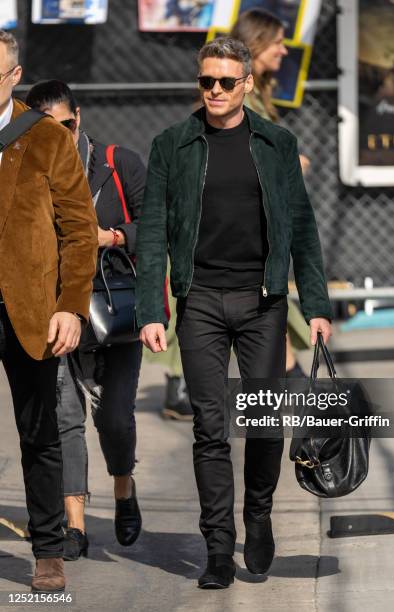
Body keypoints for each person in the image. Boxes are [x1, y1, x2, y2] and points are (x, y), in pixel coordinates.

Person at [136, 37, 332, 588]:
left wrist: (314, 305)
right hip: (198, 301)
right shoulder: (171, 145)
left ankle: (260, 514)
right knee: (210, 429)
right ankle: (218, 547)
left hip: (263, 301)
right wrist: (153, 308)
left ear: (246, 83)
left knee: (265, 421)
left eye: (226, 81)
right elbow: (151, 233)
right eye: (206, 81)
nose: (215, 91)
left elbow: (302, 230)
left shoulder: (275, 142)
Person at [26, 80, 145, 561]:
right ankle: (74, 525)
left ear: (81, 116)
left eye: (68, 125)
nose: (60, 136)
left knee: (115, 418)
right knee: (64, 417)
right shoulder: (28, 170)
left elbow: (156, 227)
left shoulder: (120, 164)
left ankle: (123, 488)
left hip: (115, 308)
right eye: (47, 129)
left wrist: (111, 237)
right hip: (55, 310)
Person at [0, 32, 98, 591]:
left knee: (39, 431)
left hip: (30, 308)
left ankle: (47, 549)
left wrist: (71, 308)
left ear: (14, 78)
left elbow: (79, 233)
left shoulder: (45, 140)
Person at [231, 8, 313, 377]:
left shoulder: (257, 95)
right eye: (278, 42)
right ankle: (309, 412)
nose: (283, 51)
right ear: (257, 42)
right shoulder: (237, 99)